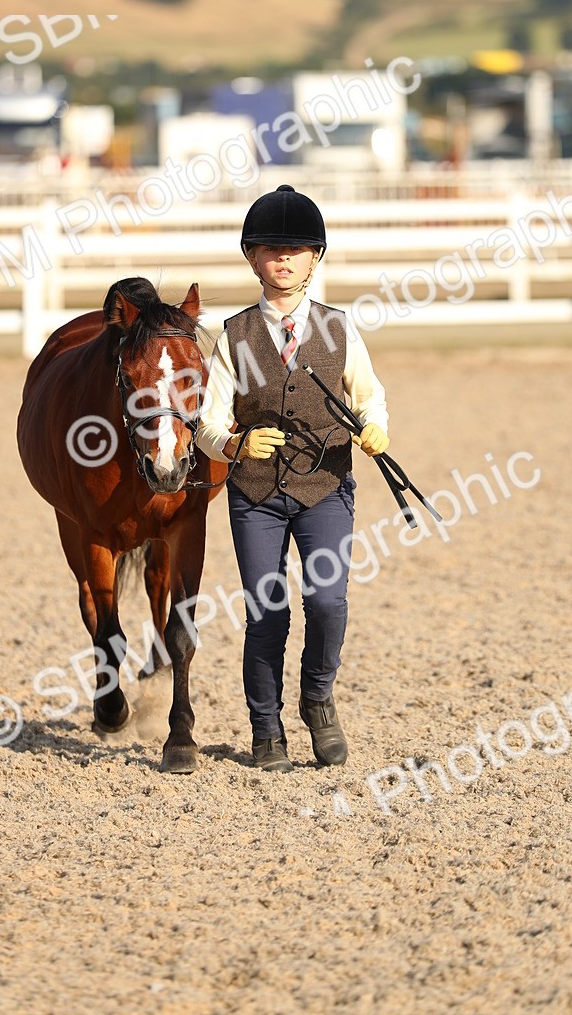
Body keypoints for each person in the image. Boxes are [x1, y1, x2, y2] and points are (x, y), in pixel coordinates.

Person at [196, 184, 389, 771]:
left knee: (328, 603)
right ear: (253, 258)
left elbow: (370, 393)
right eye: (271, 250)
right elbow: (206, 421)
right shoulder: (231, 336)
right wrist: (234, 443)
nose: (283, 260)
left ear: (315, 258)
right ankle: (265, 728)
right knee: (267, 611)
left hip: (326, 488)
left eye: (296, 250)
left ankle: (318, 698)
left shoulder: (338, 328)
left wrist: (377, 426)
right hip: (255, 496)